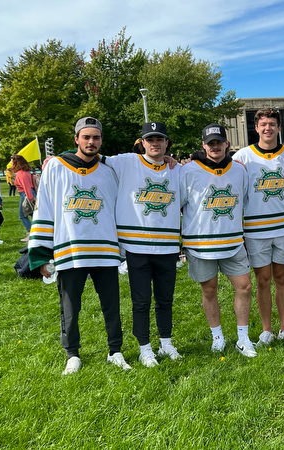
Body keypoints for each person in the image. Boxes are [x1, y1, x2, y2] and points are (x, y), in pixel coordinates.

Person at [29, 117, 131, 375]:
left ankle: (115, 350)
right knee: (70, 306)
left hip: (105, 251)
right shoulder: (56, 166)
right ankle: (72, 354)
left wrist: (124, 249)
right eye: (86, 137)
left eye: (96, 137)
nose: (91, 142)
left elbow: (121, 208)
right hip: (70, 250)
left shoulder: (110, 170)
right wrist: (41, 252)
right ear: (76, 139)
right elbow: (44, 208)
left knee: (112, 305)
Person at [104, 122, 182, 366]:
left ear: (167, 143)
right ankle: (144, 347)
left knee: (165, 299)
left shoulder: (177, 169)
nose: (155, 143)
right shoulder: (126, 161)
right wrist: (58, 158)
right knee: (141, 301)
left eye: (160, 139)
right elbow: (91, 155)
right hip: (137, 246)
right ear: (142, 142)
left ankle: (166, 343)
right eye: (150, 139)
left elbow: (203, 166)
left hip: (168, 246)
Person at [181, 124, 257, 357]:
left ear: (227, 144)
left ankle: (243, 338)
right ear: (203, 146)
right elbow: (181, 205)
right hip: (201, 244)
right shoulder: (188, 171)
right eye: (210, 143)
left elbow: (243, 200)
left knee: (244, 287)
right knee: (209, 291)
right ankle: (217, 337)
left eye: (219, 142)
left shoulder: (239, 170)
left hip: (233, 241)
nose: (215, 146)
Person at [232, 108, 284, 348]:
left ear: (279, 128)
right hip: (255, 229)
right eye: (263, 124)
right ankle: (266, 330)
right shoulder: (243, 157)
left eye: (272, 124)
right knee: (262, 280)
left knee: (281, 277)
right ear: (256, 128)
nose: (268, 128)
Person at [11, 154, 36, 242]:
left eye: (12, 161)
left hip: (26, 194)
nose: (11, 163)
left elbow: (27, 187)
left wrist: (30, 198)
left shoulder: (21, 173)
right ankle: (35, 233)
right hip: (27, 194)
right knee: (33, 215)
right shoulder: (26, 172)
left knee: (22, 215)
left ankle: (30, 234)